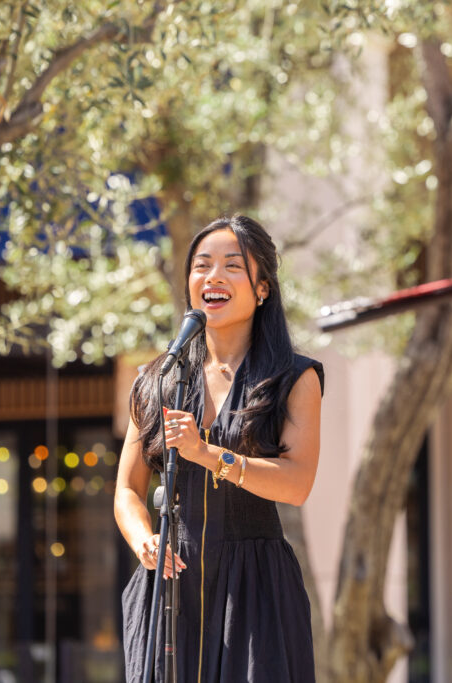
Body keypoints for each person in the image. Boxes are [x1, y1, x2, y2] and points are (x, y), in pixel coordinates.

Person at [114, 214, 323, 682]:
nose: (213, 276)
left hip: (255, 590)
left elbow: (297, 484)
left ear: (262, 288)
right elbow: (127, 488)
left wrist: (210, 455)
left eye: (232, 266)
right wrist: (144, 539)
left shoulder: (294, 378)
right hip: (170, 588)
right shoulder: (159, 378)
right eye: (202, 265)